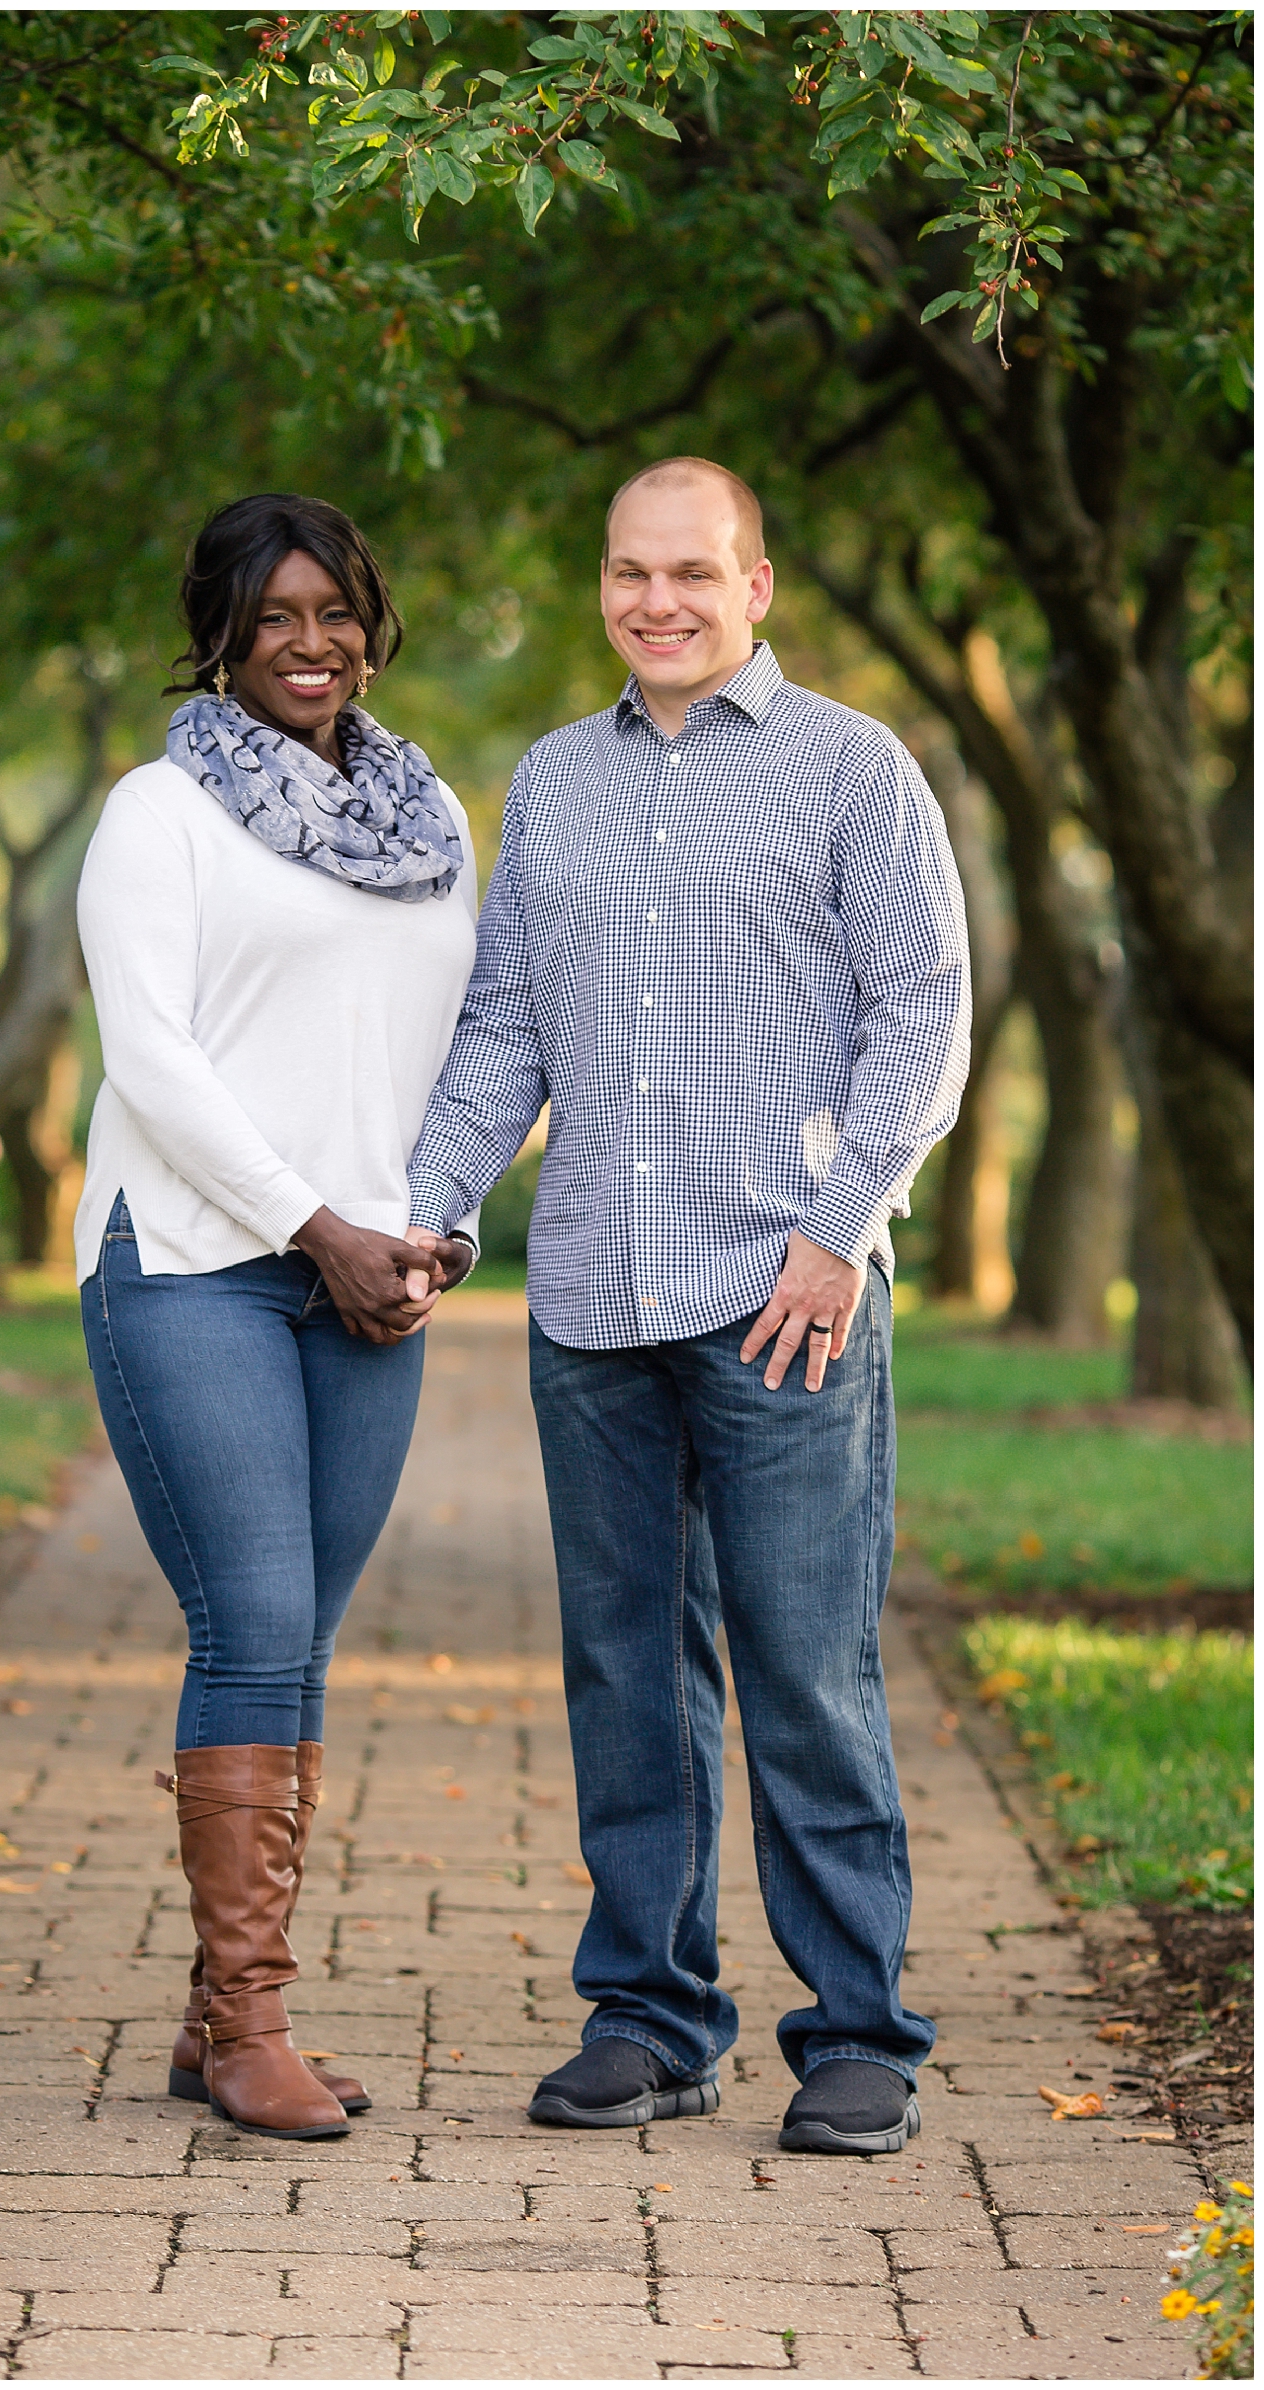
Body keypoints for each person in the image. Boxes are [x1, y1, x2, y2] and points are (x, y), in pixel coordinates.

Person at [404, 457, 970, 2155]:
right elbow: (507, 1019)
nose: (660, 601)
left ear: (757, 585)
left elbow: (923, 1013)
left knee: (808, 1668)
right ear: (602, 585)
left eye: (693, 573)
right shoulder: (557, 780)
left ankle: (857, 2029)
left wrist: (838, 1228)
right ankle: (651, 2017)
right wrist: (429, 1202)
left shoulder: (854, 770)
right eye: (630, 573)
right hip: (591, 1295)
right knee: (627, 1669)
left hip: (785, 1291)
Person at [75, 494, 477, 2142]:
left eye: (337, 611)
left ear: (372, 624)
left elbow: (470, 1031)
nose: (311, 642)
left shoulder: (431, 814)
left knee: (299, 1635)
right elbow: (151, 1060)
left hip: (369, 1283)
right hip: (194, 1259)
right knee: (250, 1617)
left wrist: (428, 1225)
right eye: (274, 614)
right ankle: (250, 2024)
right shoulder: (157, 814)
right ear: (221, 634)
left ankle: (209, 2022)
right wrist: (311, 1222)